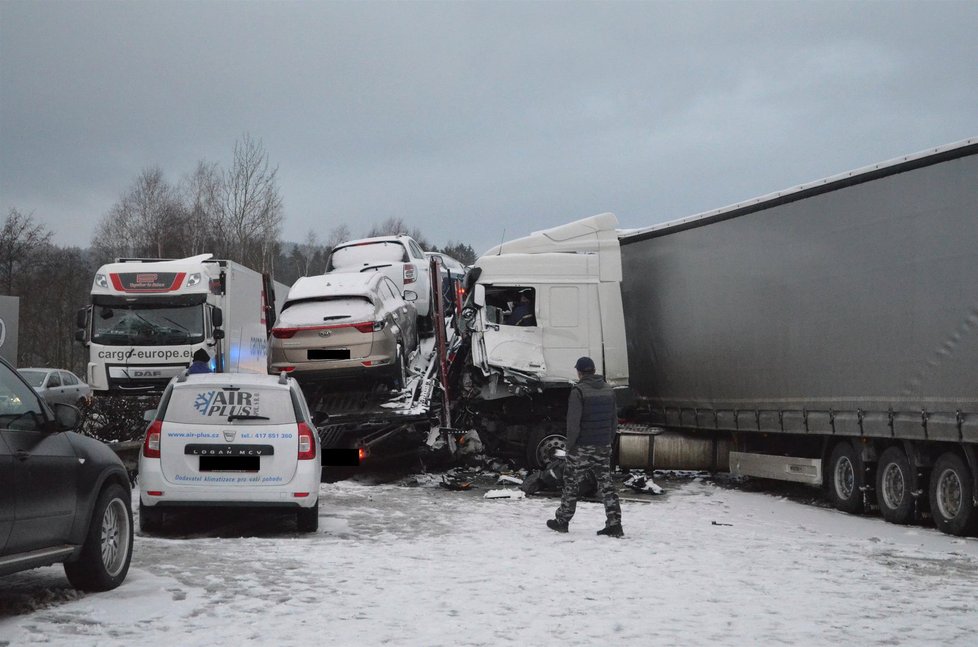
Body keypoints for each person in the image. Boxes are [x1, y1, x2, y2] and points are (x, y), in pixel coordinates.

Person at [547, 356, 623, 537]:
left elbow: (573, 424)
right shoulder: (609, 390)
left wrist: (570, 447)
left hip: (581, 446)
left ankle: (562, 521)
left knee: (571, 483)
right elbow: (614, 421)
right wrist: (607, 441)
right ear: (594, 370)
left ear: (580, 372)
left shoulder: (578, 391)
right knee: (606, 484)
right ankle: (614, 523)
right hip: (603, 445)